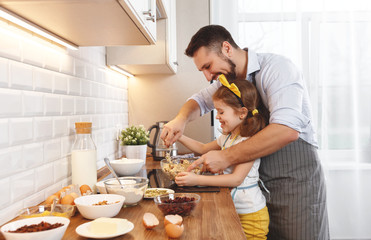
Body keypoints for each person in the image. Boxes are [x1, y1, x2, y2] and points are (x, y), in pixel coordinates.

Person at [160, 25, 330, 240]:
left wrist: (225, 156)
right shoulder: (231, 82)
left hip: (294, 176)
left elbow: (286, 130)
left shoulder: (277, 68)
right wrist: (180, 120)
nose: (208, 76)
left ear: (227, 48)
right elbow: (199, 101)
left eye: (208, 66)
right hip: (261, 182)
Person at [176, 77, 270, 239]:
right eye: (216, 111)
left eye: (221, 112)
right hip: (233, 209)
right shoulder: (228, 137)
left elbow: (236, 179)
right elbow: (203, 149)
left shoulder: (248, 142)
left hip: (251, 216)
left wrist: (196, 179)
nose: (217, 116)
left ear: (242, 113)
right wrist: (179, 136)